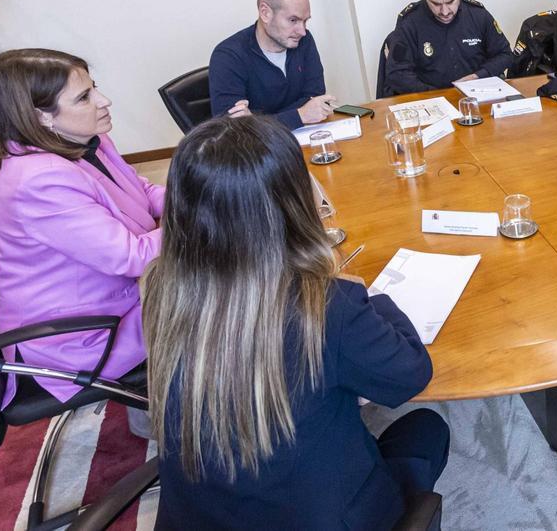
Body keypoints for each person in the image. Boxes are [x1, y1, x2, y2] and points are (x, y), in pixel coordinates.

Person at [143, 115, 449, 529]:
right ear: (290, 200)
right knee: (429, 430)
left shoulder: (164, 286)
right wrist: (367, 293)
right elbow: (411, 375)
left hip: (197, 519)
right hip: (321, 518)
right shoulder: (326, 303)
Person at [0, 49, 162, 412]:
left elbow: (144, 193)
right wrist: (205, 216)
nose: (104, 101)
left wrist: (206, 192)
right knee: (228, 301)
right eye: (84, 97)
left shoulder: (86, 142)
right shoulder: (37, 181)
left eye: (95, 88)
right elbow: (131, 256)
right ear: (40, 116)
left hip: (119, 298)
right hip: (85, 336)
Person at [380, 0, 514, 97]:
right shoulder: (409, 23)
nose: (444, 11)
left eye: (450, 2)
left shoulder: (478, 15)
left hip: (477, 98)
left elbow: (505, 55)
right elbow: (397, 74)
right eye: (436, 4)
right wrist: (439, 95)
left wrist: (478, 76)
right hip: (431, 102)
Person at [209, 0, 335, 129]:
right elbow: (233, 128)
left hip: (305, 138)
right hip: (258, 150)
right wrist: (300, 115)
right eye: (293, 20)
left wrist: (257, 122)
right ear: (265, 13)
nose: (302, 31)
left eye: (305, 21)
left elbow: (315, 97)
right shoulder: (228, 56)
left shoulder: (304, 41)